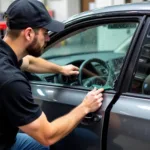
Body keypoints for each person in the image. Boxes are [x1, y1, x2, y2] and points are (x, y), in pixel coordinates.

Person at [0, 0, 104, 150]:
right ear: (29, 33)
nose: (48, 39)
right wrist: (85, 107)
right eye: (45, 33)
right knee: (44, 142)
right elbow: (47, 135)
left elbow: (28, 62)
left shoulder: (6, 55)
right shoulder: (12, 81)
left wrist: (61, 69)